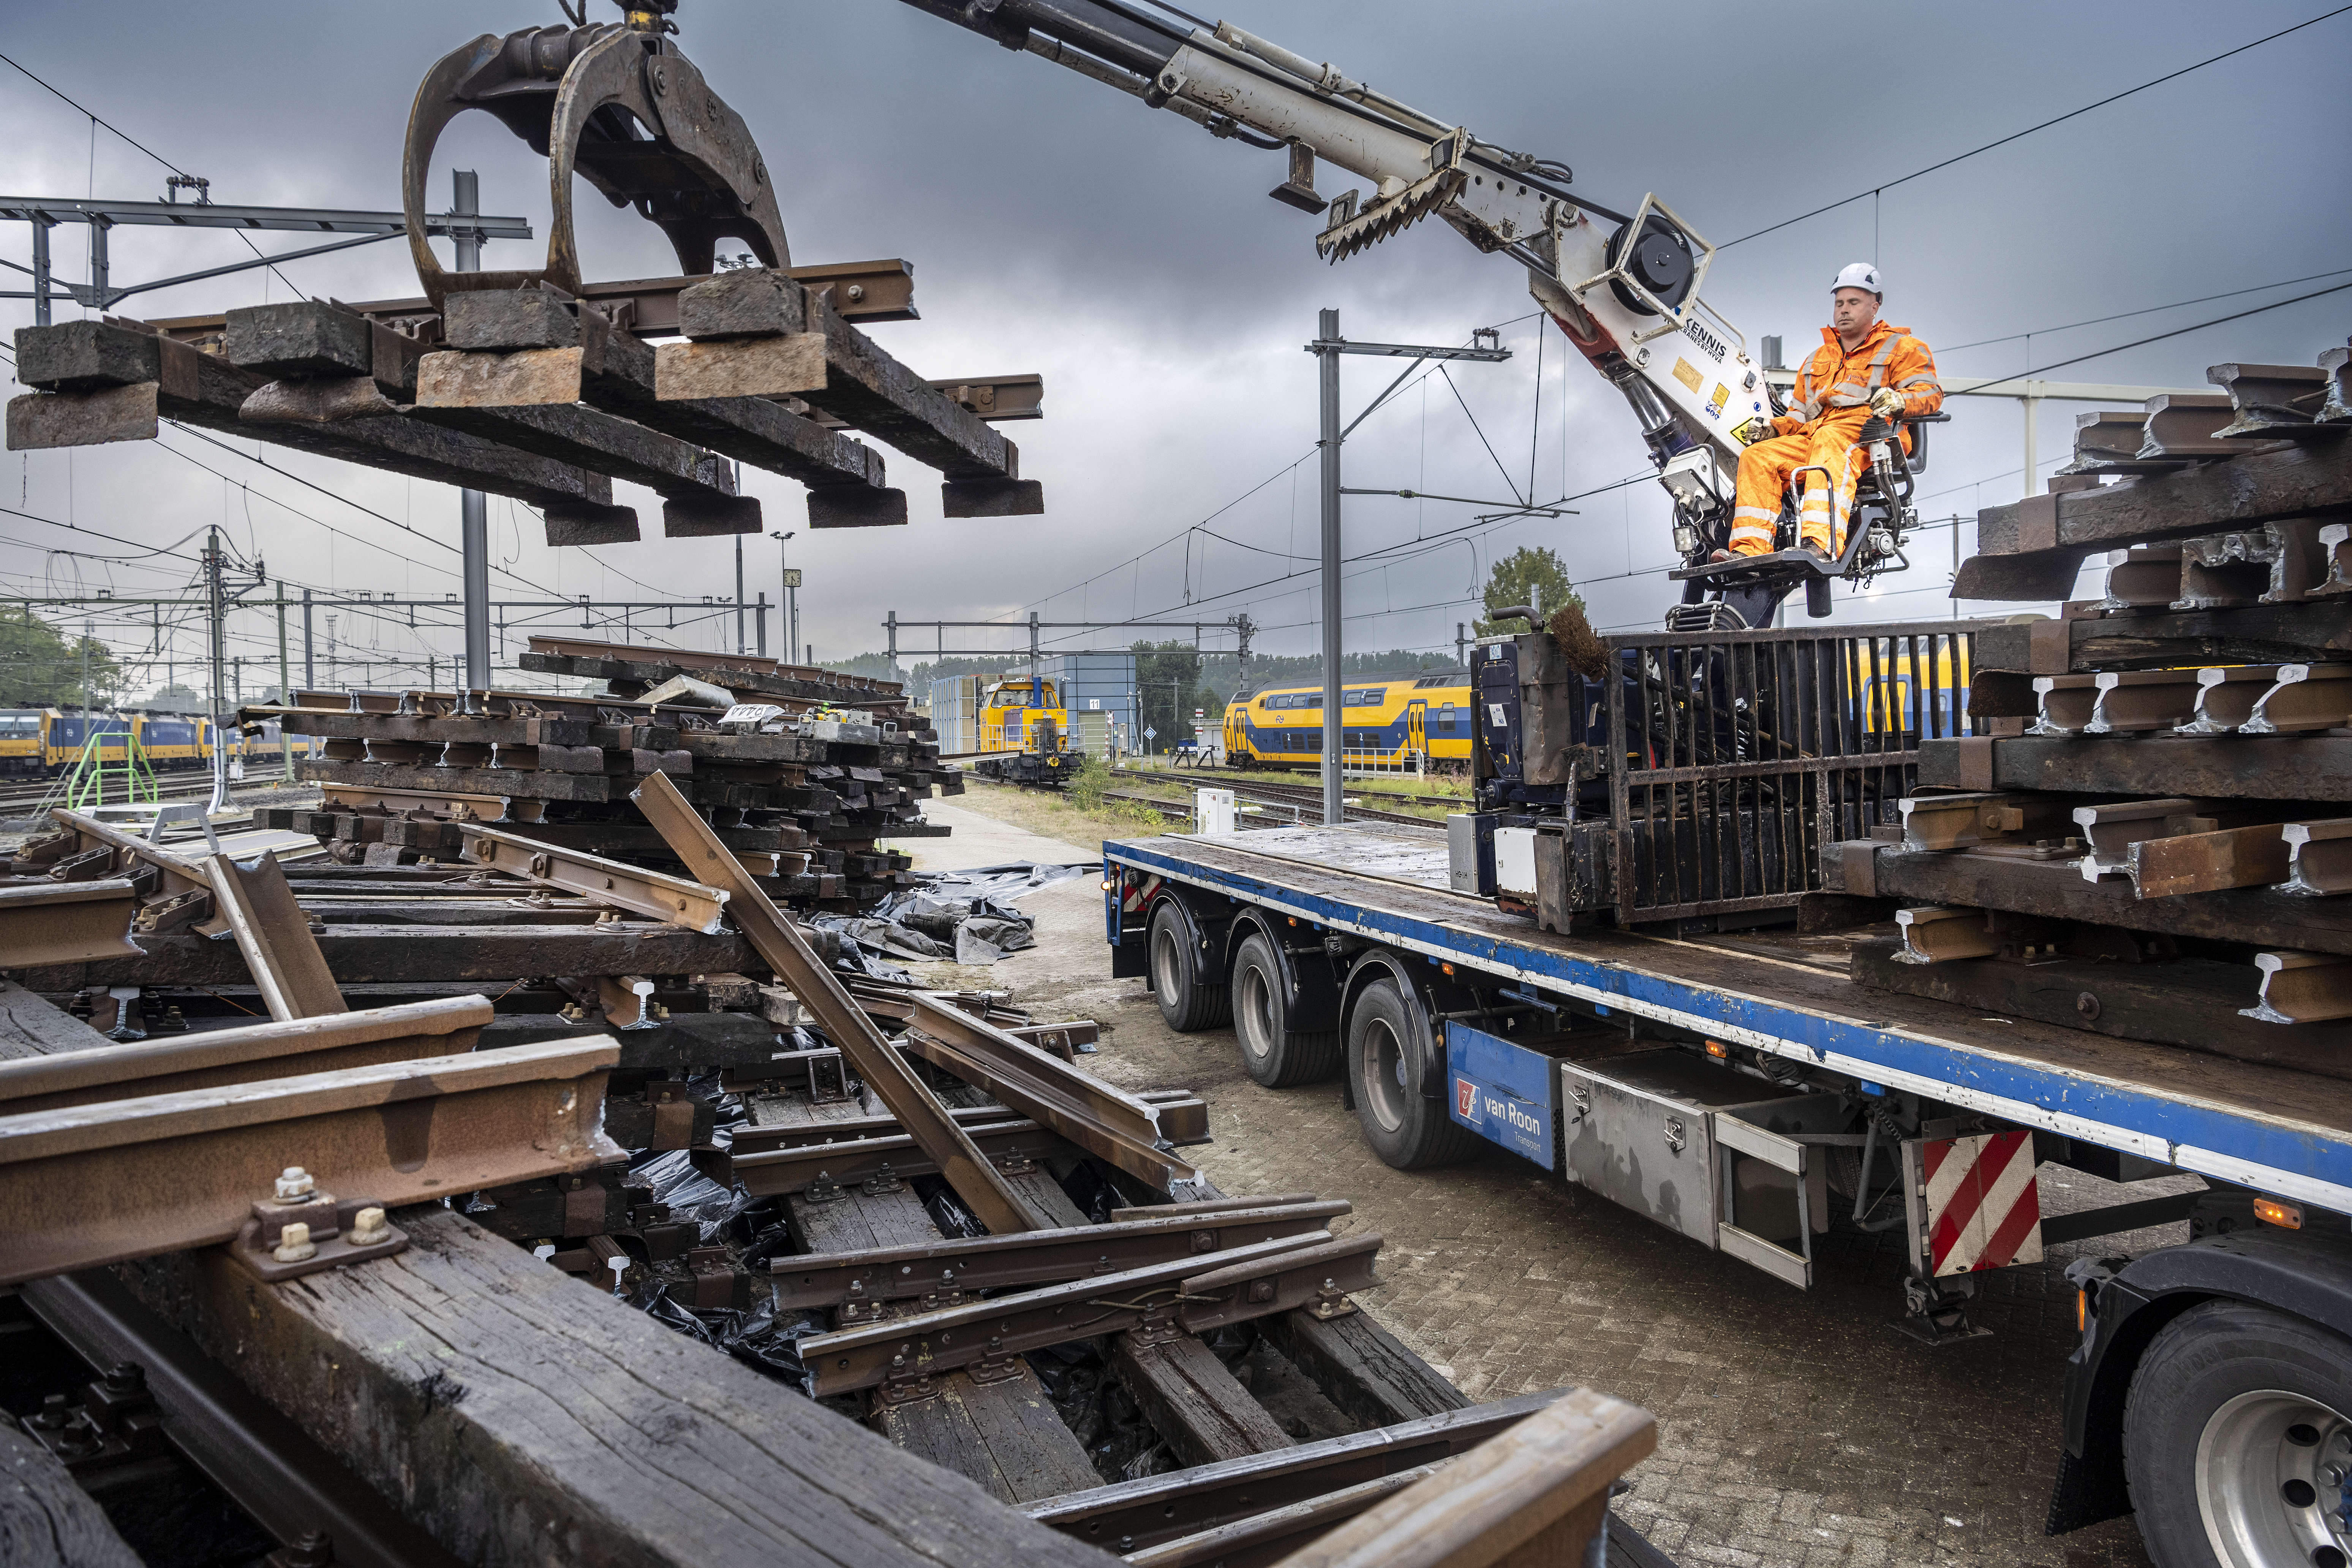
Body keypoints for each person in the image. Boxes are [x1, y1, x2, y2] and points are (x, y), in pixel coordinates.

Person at [1721, 263, 1941, 560]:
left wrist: (1899, 400)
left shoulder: (1904, 348)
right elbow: (1798, 417)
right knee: (1758, 456)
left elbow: (1930, 393)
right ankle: (1749, 551)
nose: (1844, 310)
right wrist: (1774, 430)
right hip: (1818, 436)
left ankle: (1821, 546)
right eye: (1839, 303)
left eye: (1854, 303)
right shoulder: (1816, 360)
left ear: (1875, 306)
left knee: (1829, 440)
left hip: (1873, 438)